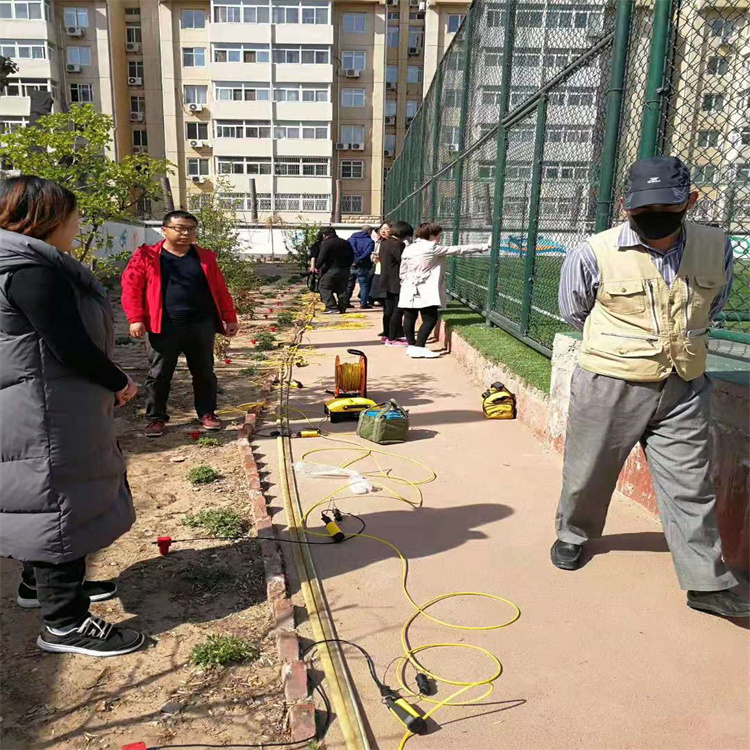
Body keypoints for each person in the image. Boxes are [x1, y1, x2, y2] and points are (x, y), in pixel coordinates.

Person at [552, 156, 749, 619]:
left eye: (668, 206)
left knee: (691, 484)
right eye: (644, 210)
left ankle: (705, 584)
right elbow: (574, 311)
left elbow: (711, 304)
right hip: (610, 382)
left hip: (684, 383)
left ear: (691, 201)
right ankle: (573, 534)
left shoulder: (715, 246)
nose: (655, 217)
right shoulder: (593, 251)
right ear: (626, 207)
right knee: (589, 471)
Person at [0, 176, 144, 656]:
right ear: (50, 218)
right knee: (61, 505)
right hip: (46, 409)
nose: (78, 225)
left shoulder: (15, 261)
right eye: (73, 216)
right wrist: (118, 381)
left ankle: (35, 588)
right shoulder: (30, 269)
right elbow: (69, 344)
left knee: (41, 499)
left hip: (36, 401)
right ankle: (64, 624)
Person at [121, 210, 239, 438]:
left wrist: (229, 317)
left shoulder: (205, 257)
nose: (185, 233)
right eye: (179, 228)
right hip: (162, 325)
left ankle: (207, 413)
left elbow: (220, 289)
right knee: (159, 374)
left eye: (190, 229)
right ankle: (156, 418)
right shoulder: (147, 257)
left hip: (200, 325)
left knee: (204, 371)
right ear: (164, 230)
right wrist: (136, 319)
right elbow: (131, 289)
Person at [399, 222, 489, 358]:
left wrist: (405, 281)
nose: (440, 237)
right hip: (424, 287)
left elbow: (403, 270)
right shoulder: (432, 247)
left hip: (408, 286)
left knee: (410, 316)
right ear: (431, 235)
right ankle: (419, 346)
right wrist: (484, 246)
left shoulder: (410, 248)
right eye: (439, 235)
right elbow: (458, 249)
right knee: (430, 318)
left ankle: (412, 345)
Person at [378, 221, 413, 347]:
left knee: (388, 310)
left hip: (385, 280)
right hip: (396, 282)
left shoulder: (385, 242)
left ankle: (386, 334)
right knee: (397, 311)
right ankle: (392, 338)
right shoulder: (398, 245)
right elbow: (403, 261)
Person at [316, 226, 354, 314]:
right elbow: (351, 256)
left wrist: (317, 267)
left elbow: (321, 258)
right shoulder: (345, 242)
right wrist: (347, 266)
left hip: (331, 269)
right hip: (345, 270)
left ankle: (331, 307)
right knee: (342, 289)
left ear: (324, 235)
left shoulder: (326, 243)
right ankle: (342, 307)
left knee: (324, 287)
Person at [345, 225, 375, 309]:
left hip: (351, 264)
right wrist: (359, 260)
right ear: (369, 231)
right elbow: (367, 253)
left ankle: (345, 302)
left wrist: (354, 260)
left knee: (349, 284)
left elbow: (350, 250)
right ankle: (363, 303)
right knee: (364, 285)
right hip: (363, 265)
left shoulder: (351, 239)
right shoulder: (370, 241)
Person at [370, 222, 391, 309]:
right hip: (378, 269)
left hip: (388, 271)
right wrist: (374, 258)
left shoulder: (394, 243)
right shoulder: (379, 242)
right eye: (382, 229)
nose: (383, 231)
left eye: (386, 229)